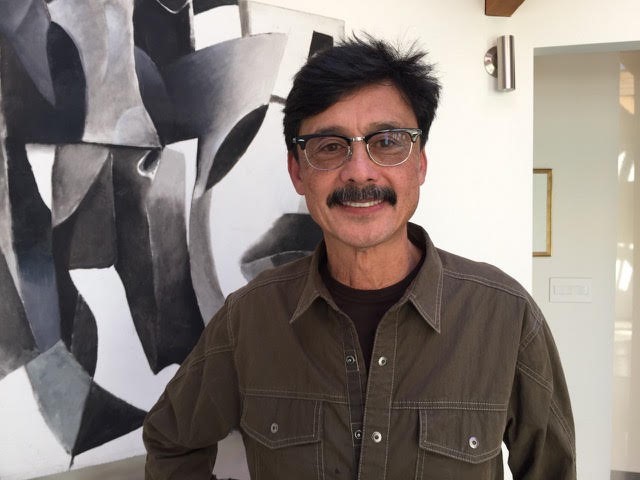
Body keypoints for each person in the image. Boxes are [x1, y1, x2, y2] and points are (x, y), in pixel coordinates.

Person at [143, 35, 576, 480]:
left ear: (420, 164)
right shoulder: (249, 319)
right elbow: (170, 441)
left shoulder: (505, 316)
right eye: (330, 146)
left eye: (386, 141)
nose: (359, 172)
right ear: (298, 172)